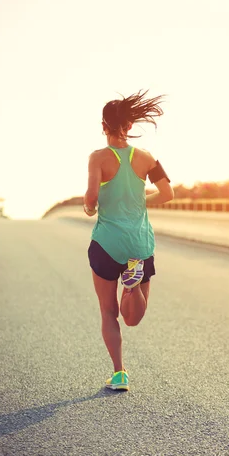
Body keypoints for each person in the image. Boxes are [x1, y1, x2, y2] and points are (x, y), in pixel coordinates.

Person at [83, 90, 174, 391]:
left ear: (103, 126)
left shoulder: (98, 158)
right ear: (130, 125)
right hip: (139, 244)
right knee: (133, 317)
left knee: (108, 312)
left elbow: (92, 197)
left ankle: (119, 373)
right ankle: (132, 285)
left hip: (108, 243)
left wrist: (89, 208)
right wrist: (140, 198)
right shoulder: (146, 158)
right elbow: (168, 193)